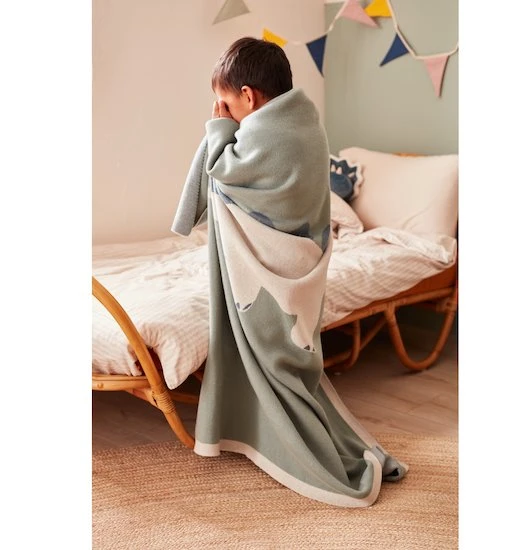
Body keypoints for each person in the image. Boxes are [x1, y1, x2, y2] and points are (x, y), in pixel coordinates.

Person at [172, 37, 407, 508]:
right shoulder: (305, 124)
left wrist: (217, 128)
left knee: (275, 358)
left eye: (226, 101)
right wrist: (226, 122)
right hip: (302, 260)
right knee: (286, 358)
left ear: (249, 96)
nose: (223, 111)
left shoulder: (270, 135)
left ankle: (290, 440)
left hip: (279, 270)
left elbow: (220, 172)